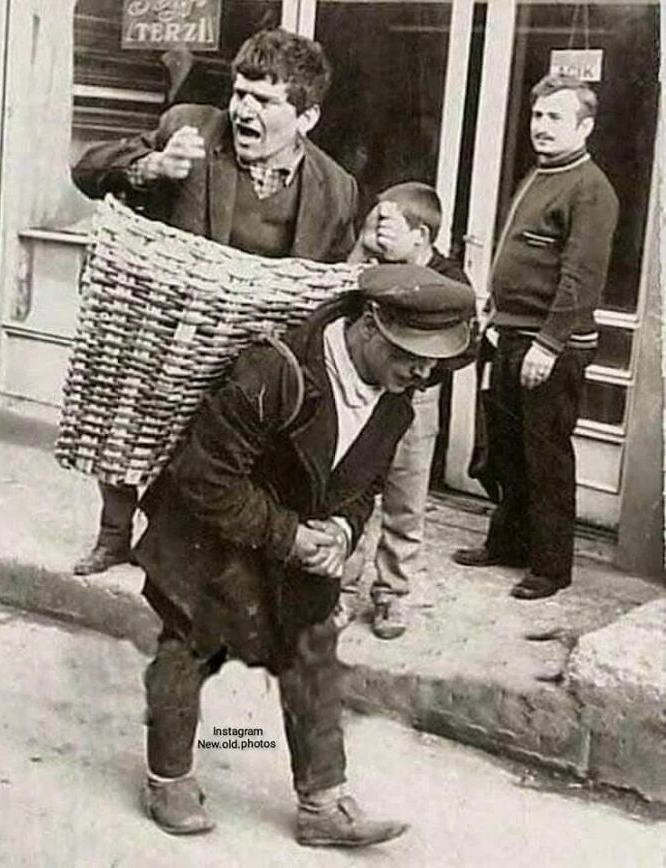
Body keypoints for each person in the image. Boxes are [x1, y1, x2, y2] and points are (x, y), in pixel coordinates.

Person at [134, 264, 475, 848]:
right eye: (410, 353)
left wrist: (343, 530)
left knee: (313, 653)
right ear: (371, 324)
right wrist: (290, 537)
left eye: (433, 360)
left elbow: (362, 486)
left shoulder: (396, 400)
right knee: (188, 645)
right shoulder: (278, 371)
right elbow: (204, 476)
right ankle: (168, 777)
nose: (424, 371)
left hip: (298, 543)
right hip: (208, 531)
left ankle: (322, 804)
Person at [70, 28, 359, 576]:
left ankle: (183, 545)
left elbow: (332, 284)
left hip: (257, 347)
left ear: (307, 118)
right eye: (239, 92)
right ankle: (114, 534)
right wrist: (148, 167)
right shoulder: (189, 127)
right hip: (174, 329)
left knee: (216, 453)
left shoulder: (337, 188)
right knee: (130, 422)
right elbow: (86, 169)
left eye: (265, 101)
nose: (243, 109)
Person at [453, 74, 619, 600]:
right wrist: (494, 314)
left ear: (585, 127)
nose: (541, 127)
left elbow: (581, 279)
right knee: (508, 451)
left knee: (545, 455)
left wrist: (548, 345)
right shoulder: (542, 173)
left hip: (551, 346)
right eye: (537, 116)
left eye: (555, 118)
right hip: (512, 335)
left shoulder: (590, 189)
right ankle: (506, 544)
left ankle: (551, 568)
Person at [345, 183, 472, 638]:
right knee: (350, 486)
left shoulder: (450, 281)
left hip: (416, 399)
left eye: (387, 224)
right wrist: (362, 249)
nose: (377, 232)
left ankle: (391, 596)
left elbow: (464, 345)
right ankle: (339, 590)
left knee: (405, 500)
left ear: (420, 234)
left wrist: (419, 374)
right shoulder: (376, 269)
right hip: (368, 392)